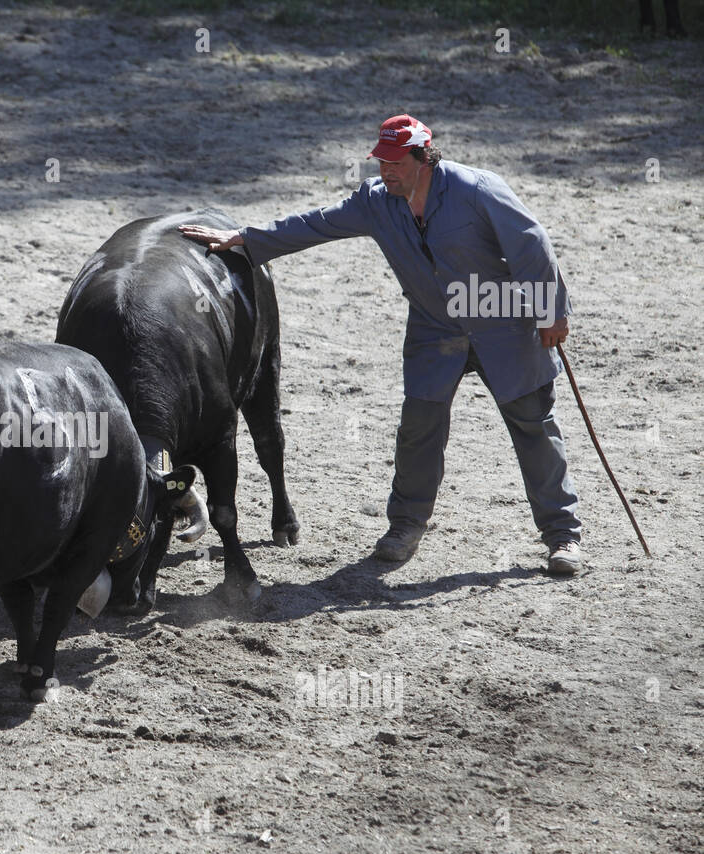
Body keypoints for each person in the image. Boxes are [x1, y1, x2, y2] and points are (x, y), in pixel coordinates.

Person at [179, 115, 582, 575]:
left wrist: (552, 312)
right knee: (419, 429)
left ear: (421, 157)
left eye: (394, 161)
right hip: (435, 328)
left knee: (533, 425)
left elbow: (531, 243)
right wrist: (246, 240)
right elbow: (317, 224)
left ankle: (563, 535)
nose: (385, 170)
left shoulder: (476, 189)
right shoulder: (376, 202)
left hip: (502, 322)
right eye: (381, 161)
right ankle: (405, 526)